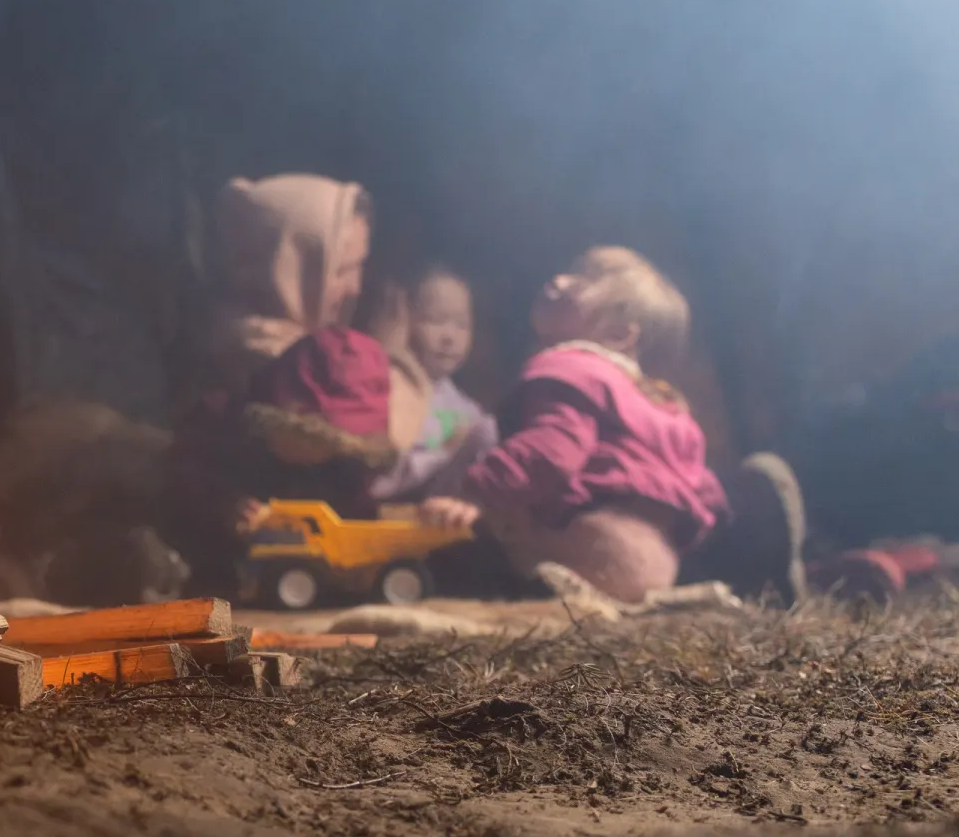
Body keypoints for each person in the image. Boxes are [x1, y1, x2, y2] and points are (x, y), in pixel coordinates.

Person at [420, 247, 804, 604]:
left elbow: (552, 450)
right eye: (571, 271)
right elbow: (698, 486)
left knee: (469, 555)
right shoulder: (657, 401)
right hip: (659, 561)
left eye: (583, 282)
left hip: (586, 548)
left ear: (620, 333)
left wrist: (475, 494)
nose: (559, 280)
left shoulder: (568, 371)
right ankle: (756, 551)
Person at [166, 174, 430, 594]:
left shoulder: (315, 347)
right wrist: (394, 358)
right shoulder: (275, 361)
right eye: (342, 270)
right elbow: (397, 434)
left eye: (360, 267)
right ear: (291, 267)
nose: (356, 288)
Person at [371, 265, 499, 503]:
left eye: (461, 324)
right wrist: (445, 451)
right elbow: (378, 482)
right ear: (403, 321)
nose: (450, 337)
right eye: (435, 320)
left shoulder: (470, 411)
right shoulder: (387, 390)